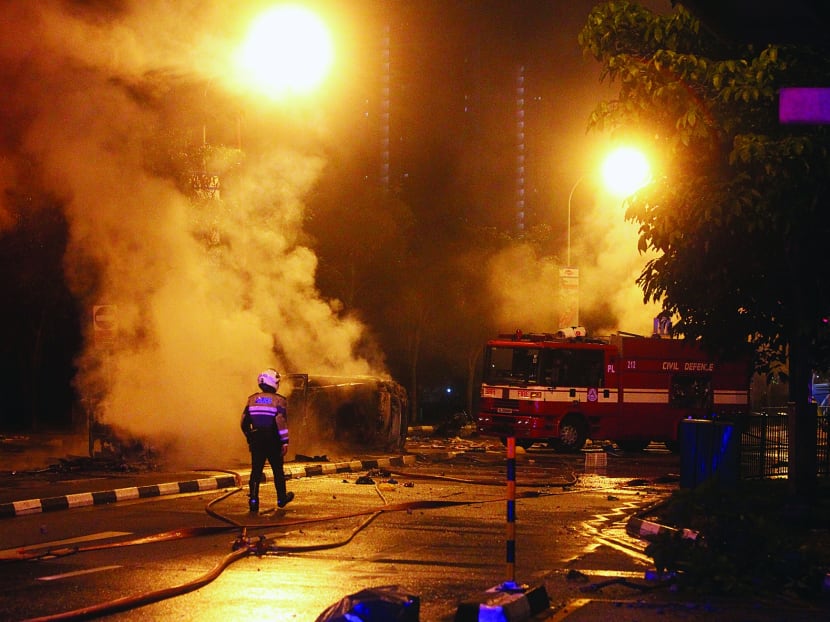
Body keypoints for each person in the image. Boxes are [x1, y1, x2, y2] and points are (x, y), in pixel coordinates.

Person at [240, 368, 294, 513]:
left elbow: (244, 422)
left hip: (257, 440)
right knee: (278, 470)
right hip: (273, 441)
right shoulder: (279, 400)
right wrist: (285, 441)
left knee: (256, 471)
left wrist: (250, 437)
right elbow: (280, 422)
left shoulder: (252, 399)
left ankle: (253, 500)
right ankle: (281, 498)